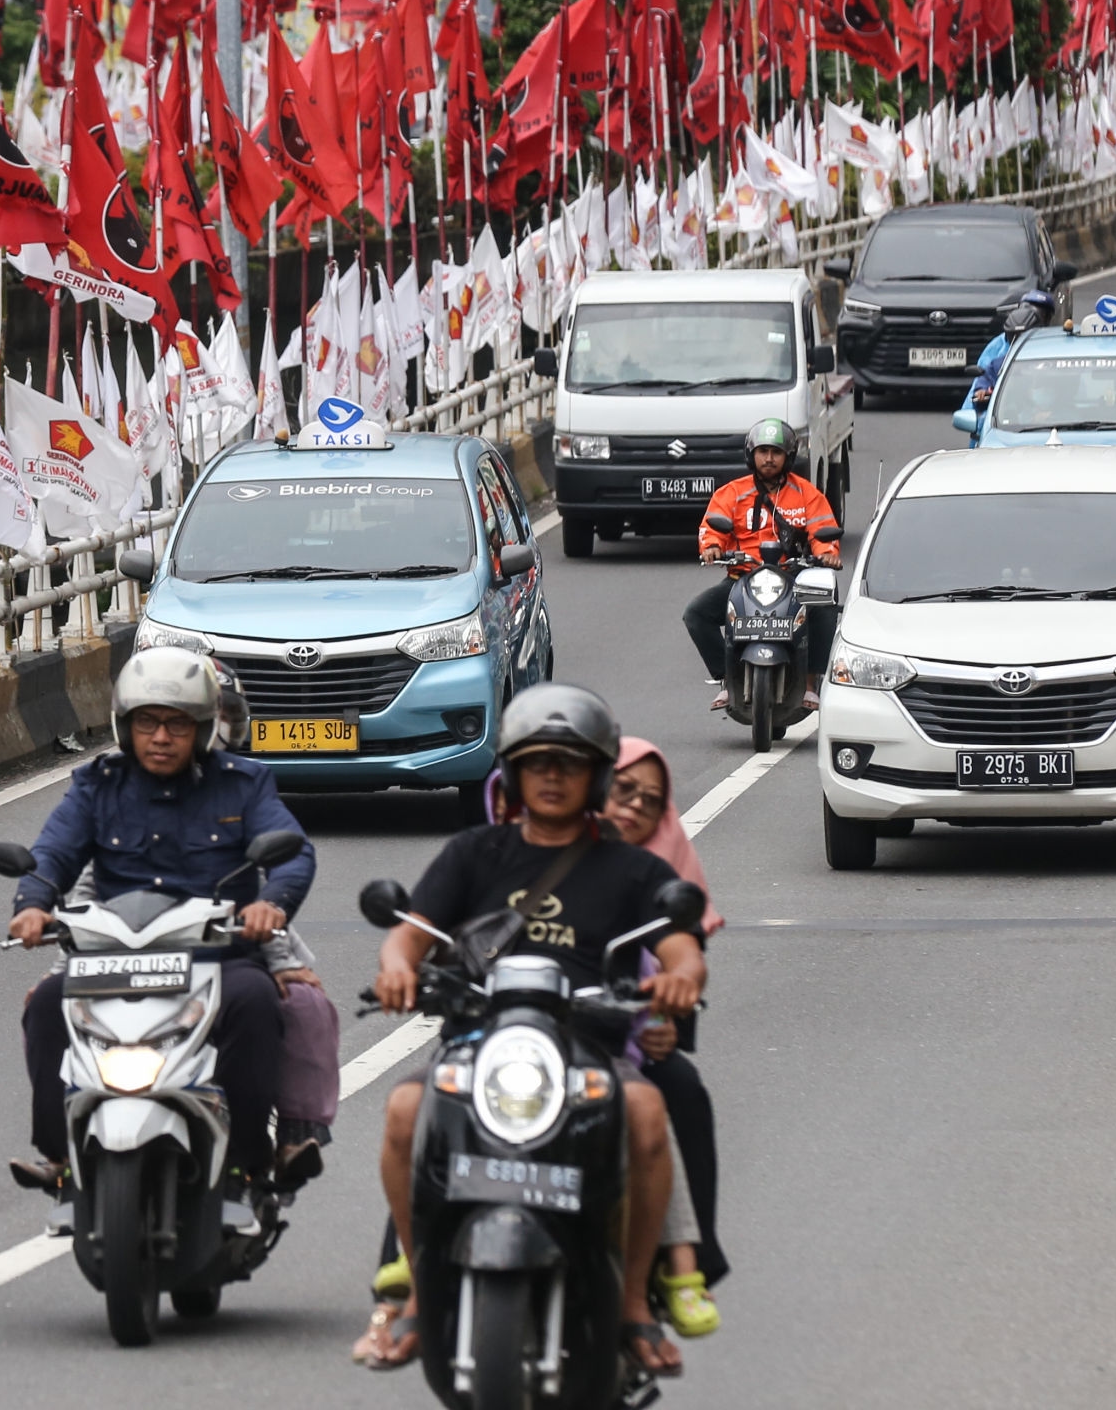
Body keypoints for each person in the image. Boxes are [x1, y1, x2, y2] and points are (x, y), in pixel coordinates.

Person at [355, 685, 706, 1379]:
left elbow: (680, 947)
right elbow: (409, 935)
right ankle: (420, 1288)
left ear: (597, 776)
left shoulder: (633, 868)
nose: (552, 776)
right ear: (512, 773)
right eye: (537, 762)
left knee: (645, 1109)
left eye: (570, 764)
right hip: (478, 1041)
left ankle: (634, 1302)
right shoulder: (473, 852)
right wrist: (396, 969)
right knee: (403, 1109)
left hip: (586, 1048)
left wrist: (682, 976)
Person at [7, 647, 316, 1194]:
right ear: (124, 725)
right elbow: (52, 854)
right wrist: (32, 905)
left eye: (178, 724)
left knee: (256, 1002)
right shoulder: (96, 784)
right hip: (114, 958)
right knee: (48, 1005)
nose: (161, 737)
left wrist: (272, 903)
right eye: (147, 722)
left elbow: (293, 854)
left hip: (215, 957)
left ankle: (248, 1160)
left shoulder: (244, 783)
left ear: (204, 728)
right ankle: (58, 1155)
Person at [606, 740, 729, 1334]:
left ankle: (687, 1264)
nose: (633, 807)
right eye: (621, 790)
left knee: (678, 1089)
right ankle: (409, 1270)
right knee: (438, 1096)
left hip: (621, 1037)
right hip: (523, 1035)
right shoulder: (511, 852)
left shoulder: (653, 875)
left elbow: (683, 957)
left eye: (650, 802)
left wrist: (665, 1022)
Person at [680, 417, 841, 708]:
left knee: (824, 604)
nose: (768, 458)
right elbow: (711, 528)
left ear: (788, 457)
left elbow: (823, 531)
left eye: (776, 452)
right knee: (696, 613)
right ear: (751, 454)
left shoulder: (807, 493)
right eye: (763, 451)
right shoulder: (732, 492)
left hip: (793, 577)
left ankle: (809, 684)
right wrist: (712, 547)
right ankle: (727, 678)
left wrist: (827, 552)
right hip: (743, 578)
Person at [966, 288, 1060, 408]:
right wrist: (982, 391)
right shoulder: (999, 358)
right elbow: (984, 379)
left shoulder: (1054, 354)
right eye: (1015, 336)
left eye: (1043, 314)